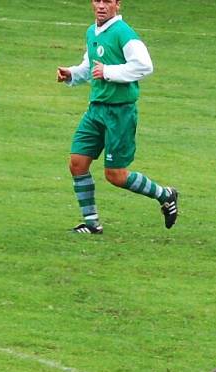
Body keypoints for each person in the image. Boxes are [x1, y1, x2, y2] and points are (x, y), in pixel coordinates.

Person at [57, 0, 178, 234]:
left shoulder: (124, 33)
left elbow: (144, 66)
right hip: (96, 110)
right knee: (77, 163)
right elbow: (90, 66)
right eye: (97, 0)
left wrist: (109, 72)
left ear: (117, 5)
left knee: (115, 175)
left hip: (120, 112)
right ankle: (92, 225)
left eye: (108, 1)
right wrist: (71, 74)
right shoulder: (92, 32)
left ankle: (166, 195)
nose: (102, 6)